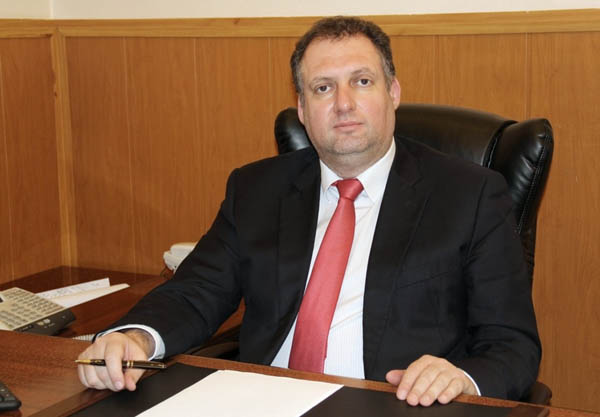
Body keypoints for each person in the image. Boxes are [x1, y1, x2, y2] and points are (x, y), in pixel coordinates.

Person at [78, 16, 541, 406]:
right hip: (261, 401)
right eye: (323, 88)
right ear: (302, 108)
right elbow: (196, 291)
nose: (344, 104)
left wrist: (462, 378)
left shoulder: (470, 195)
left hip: (391, 406)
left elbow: (512, 345)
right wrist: (134, 337)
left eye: (362, 81)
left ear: (393, 92)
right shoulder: (256, 189)